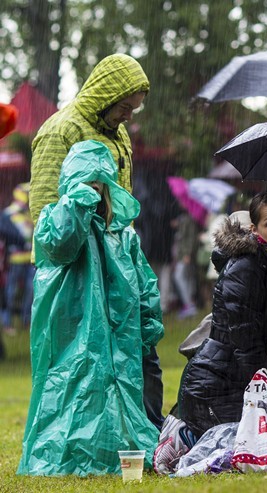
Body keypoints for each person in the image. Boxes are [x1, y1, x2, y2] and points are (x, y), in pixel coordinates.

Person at [28, 53, 165, 429]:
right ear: (105, 97)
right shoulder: (61, 131)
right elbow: (45, 215)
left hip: (120, 262)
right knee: (82, 362)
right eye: (124, 107)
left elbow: (123, 199)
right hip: (78, 271)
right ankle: (81, 446)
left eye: (133, 109)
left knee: (138, 350)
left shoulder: (117, 133)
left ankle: (149, 437)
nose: (128, 117)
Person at [17, 140, 164, 475]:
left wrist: (148, 321)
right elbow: (60, 247)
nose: (95, 189)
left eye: (99, 182)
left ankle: (117, 456)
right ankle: (67, 457)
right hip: (72, 329)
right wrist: (77, 203)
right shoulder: (56, 219)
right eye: (86, 180)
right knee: (72, 390)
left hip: (119, 330)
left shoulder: (122, 234)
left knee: (117, 391)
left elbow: (143, 281)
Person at [177, 190, 267, 439]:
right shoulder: (246, 269)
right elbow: (247, 346)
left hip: (240, 382)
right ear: (255, 229)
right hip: (215, 389)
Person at [0, 183, 34, 334]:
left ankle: (26, 320)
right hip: (15, 259)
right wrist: (21, 242)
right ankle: (7, 322)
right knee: (11, 292)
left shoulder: (29, 213)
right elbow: (5, 233)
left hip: (31, 259)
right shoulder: (8, 214)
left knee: (31, 291)